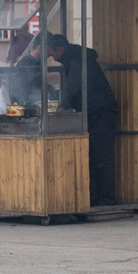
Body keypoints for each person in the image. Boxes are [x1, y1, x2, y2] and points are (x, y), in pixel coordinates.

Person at [42, 32, 120, 208]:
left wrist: (63, 106)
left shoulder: (75, 60)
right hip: (94, 112)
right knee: (93, 157)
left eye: (52, 54)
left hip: (101, 113)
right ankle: (95, 197)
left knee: (101, 158)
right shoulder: (75, 57)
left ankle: (107, 199)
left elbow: (74, 87)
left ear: (60, 49)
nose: (53, 59)